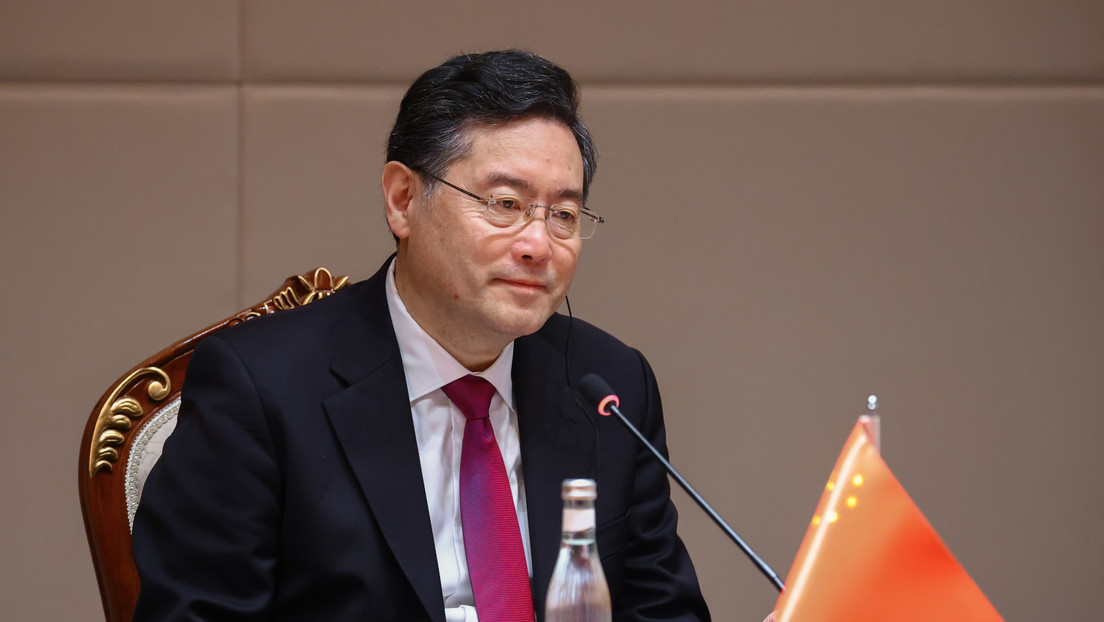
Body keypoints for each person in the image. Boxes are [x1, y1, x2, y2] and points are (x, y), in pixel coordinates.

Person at [132, 49, 710, 622]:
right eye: (505, 204)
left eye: (563, 215)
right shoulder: (261, 387)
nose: (538, 245)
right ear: (403, 201)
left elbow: (664, 612)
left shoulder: (610, 385)